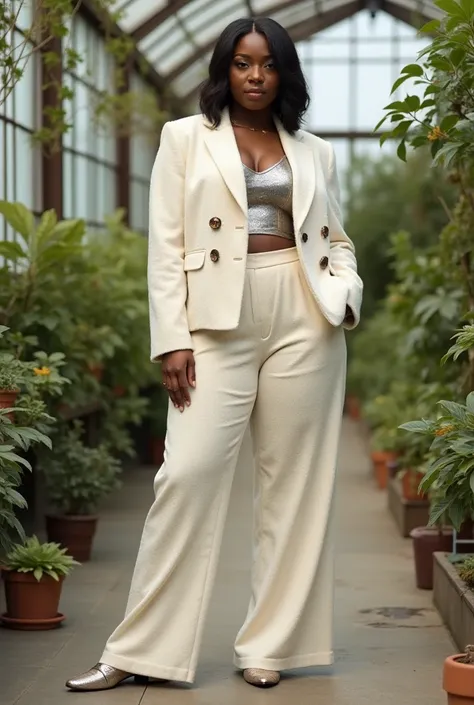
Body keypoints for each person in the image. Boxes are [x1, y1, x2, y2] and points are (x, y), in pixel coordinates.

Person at [66, 16, 363, 692]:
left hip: (304, 313)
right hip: (213, 320)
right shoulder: (183, 138)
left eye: (267, 64)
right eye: (240, 62)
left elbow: (336, 239)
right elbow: (164, 245)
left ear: (284, 72)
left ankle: (272, 646)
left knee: (293, 487)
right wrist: (171, 336)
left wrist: (344, 292)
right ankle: (141, 650)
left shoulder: (314, 151)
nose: (255, 75)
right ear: (223, 69)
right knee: (186, 476)